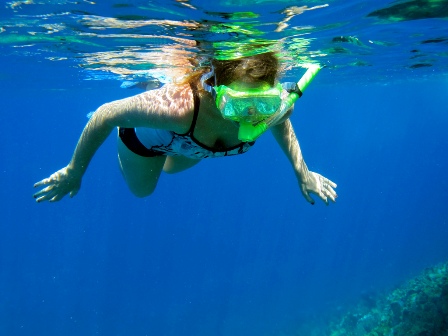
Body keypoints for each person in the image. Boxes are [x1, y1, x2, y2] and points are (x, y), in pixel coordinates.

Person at [33, 52, 337, 205]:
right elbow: (105, 113)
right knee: (143, 191)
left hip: (192, 145)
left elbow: (282, 125)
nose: (251, 116)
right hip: (147, 141)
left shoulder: (279, 109)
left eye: (265, 103)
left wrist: (303, 173)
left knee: (170, 170)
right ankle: (147, 97)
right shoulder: (180, 110)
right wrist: (74, 171)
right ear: (216, 89)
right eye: (238, 104)